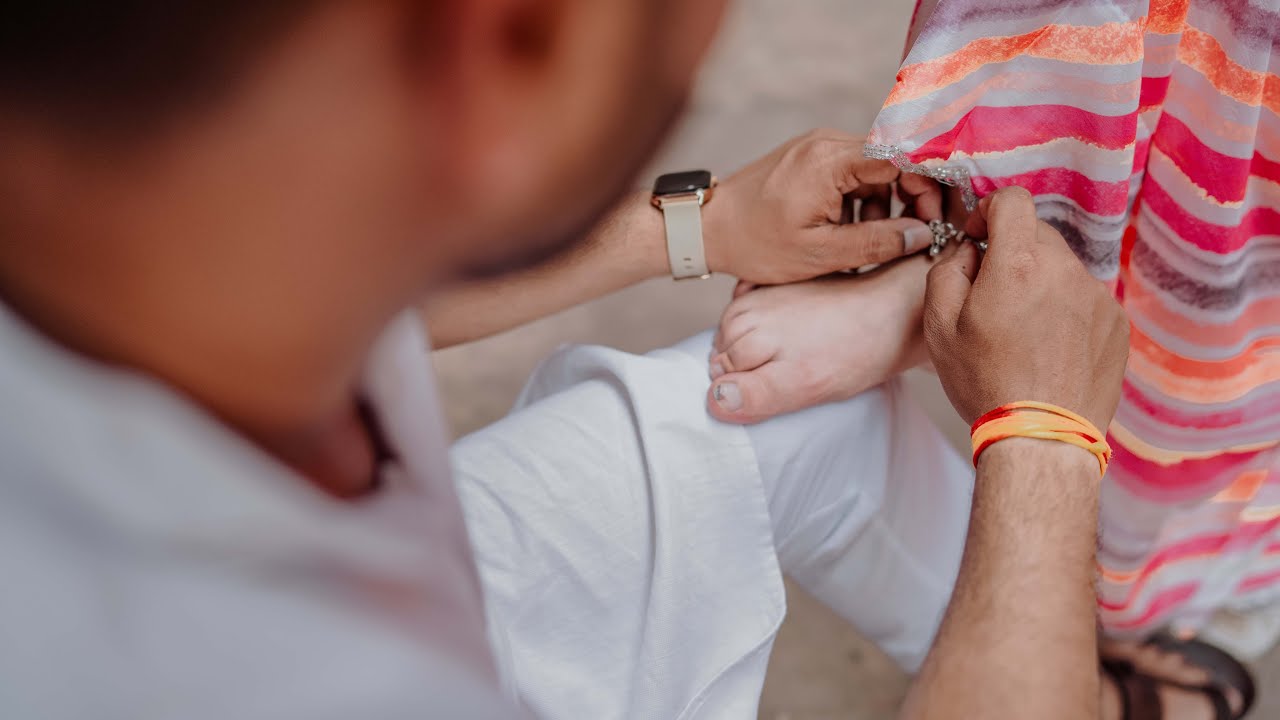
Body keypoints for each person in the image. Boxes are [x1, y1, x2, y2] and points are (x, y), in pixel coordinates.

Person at [0, 2, 1125, 719]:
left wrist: (692, 227)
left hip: (443, 579)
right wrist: (1041, 435)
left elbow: (314, 284)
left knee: (791, 416)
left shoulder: (113, 248)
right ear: (511, 37)